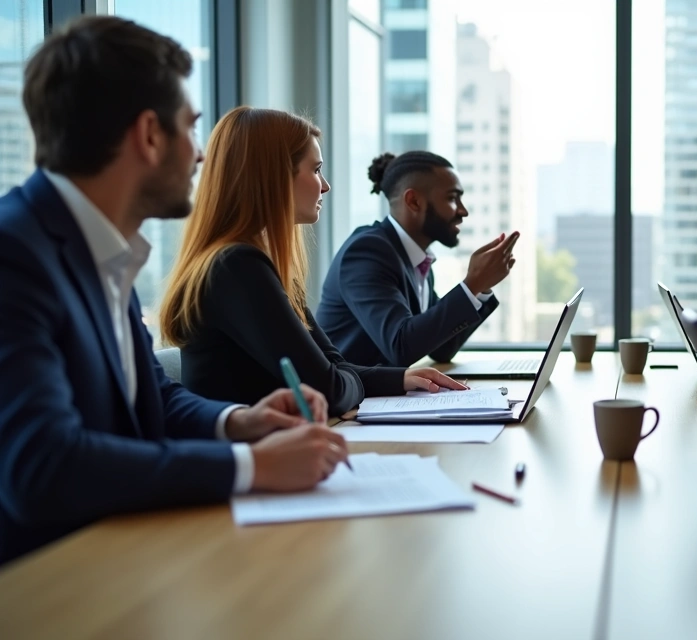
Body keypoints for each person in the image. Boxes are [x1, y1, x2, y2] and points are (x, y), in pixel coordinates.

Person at [0, 17, 345, 564]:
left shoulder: (102, 251)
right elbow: (43, 466)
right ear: (149, 135)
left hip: (125, 556)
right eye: (190, 128)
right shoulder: (15, 254)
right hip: (49, 584)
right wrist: (251, 467)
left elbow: (152, 399)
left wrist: (237, 422)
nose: (201, 154)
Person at [159, 108, 463, 417]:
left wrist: (399, 379)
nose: (325, 185)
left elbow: (335, 366)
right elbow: (327, 390)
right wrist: (349, 382)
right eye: (316, 169)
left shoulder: (260, 264)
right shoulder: (237, 267)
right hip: (250, 458)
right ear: (274, 176)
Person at [316, 151, 518, 367]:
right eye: (452, 198)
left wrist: (480, 287)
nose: (463, 210)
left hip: (383, 395)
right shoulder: (367, 253)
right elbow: (400, 346)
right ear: (413, 201)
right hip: (347, 398)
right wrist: (472, 284)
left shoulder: (417, 259)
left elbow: (442, 348)